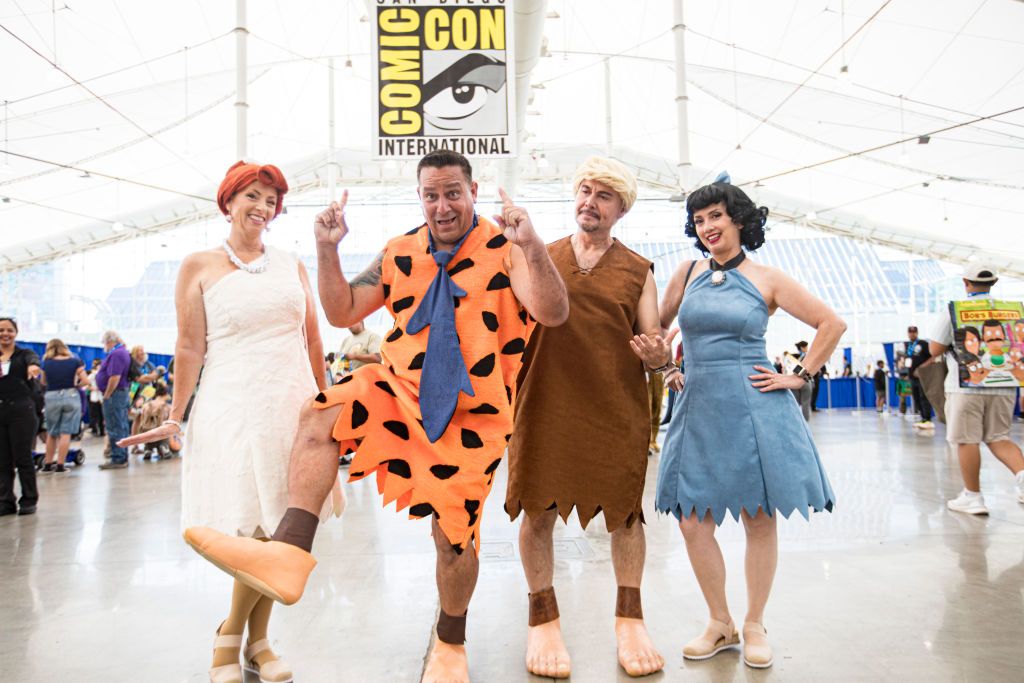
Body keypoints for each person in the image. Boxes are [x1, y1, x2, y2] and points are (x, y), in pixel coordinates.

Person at [180, 149, 569, 683]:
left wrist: (532, 245)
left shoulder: (508, 249)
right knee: (322, 414)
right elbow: (342, 311)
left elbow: (552, 311)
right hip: (396, 390)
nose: (442, 205)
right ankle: (290, 552)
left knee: (452, 539)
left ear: (473, 193)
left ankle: (450, 641)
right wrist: (326, 248)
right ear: (420, 198)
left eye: (452, 192)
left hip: (472, 418)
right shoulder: (399, 251)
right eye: (430, 194)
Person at [119, 160, 342, 683]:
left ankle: (241, 638)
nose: (263, 208)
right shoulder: (197, 264)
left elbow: (312, 338)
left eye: (271, 200)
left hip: (293, 406)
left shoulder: (292, 263)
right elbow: (189, 346)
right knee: (255, 527)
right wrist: (175, 416)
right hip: (233, 407)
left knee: (281, 531)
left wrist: (326, 399)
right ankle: (247, 641)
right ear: (229, 200)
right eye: (254, 196)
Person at [634, 182, 843, 668]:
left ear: (740, 221)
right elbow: (654, 331)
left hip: (756, 405)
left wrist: (799, 375)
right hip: (697, 402)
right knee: (690, 520)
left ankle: (754, 623)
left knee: (758, 516)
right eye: (700, 219)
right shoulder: (686, 274)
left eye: (715, 217)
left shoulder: (767, 278)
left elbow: (831, 324)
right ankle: (719, 622)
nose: (707, 227)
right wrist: (665, 367)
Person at [505, 157, 664, 678]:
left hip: (615, 406)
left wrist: (658, 358)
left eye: (603, 195)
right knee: (537, 509)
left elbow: (654, 339)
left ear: (621, 209)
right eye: (584, 191)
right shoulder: (536, 256)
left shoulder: (640, 271)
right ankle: (542, 616)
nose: (589, 202)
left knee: (625, 514)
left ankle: (630, 617)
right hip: (544, 400)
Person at [927, 262, 1024, 514]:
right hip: (1004, 384)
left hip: (965, 386)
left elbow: (935, 349)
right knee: (999, 437)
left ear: (965, 282)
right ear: (994, 282)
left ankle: (973, 497)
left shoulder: (955, 310)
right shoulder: (1012, 310)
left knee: (967, 440)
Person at [0, 317, 42, 516]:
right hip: (1, 411)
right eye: (1, 330)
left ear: (15, 333)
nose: (5, 334)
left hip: (22, 411)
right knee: (2, 460)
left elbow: (33, 362)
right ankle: (5, 500)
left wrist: (33, 368)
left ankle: (29, 499)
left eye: (9, 330)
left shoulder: (24, 354)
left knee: (23, 457)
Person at [39, 338, 89, 473]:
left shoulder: (46, 362)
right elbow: (86, 380)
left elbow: (43, 382)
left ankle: (48, 465)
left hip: (52, 395)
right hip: (70, 395)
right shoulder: (74, 361)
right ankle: (61, 465)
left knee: (52, 432)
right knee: (65, 432)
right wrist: (74, 386)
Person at [96, 330, 132, 469]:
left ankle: (118, 458)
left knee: (115, 426)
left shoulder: (116, 353)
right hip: (119, 394)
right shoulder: (121, 352)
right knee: (120, 425)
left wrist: (108, 393)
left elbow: (115, 376)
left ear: (108, 341)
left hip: (114, 394)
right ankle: (121, 456)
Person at [905, 325, 933, 429]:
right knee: (916, 397)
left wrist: (921, 368)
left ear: (917, 333)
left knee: (923, 396)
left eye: (914, 332)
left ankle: (927, 418)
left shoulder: (923, 344)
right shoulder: (908, 345)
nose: (912, 334)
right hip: (912, 376)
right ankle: (922, 417)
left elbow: (933, 358)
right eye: (910, 332)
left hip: (923, 375)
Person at [783, 341, 813, 420]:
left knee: (795, 403)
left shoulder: (791, 357)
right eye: (806, 347)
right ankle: (806, 423)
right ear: (802, 348)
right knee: (805, 403)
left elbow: (786, 369)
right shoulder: (807, 357)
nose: (807, 349)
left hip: (794, 381)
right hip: (805, 381)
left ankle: (796, 421)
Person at [86, 360, 105, 436]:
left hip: (102, 398)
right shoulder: (92, 375)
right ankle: (94, 429)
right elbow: (85, 385)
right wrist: (93, 389)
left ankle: (102, 431)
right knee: (94, 414)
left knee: (102, 415)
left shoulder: (106, 375)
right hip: (94, 398)